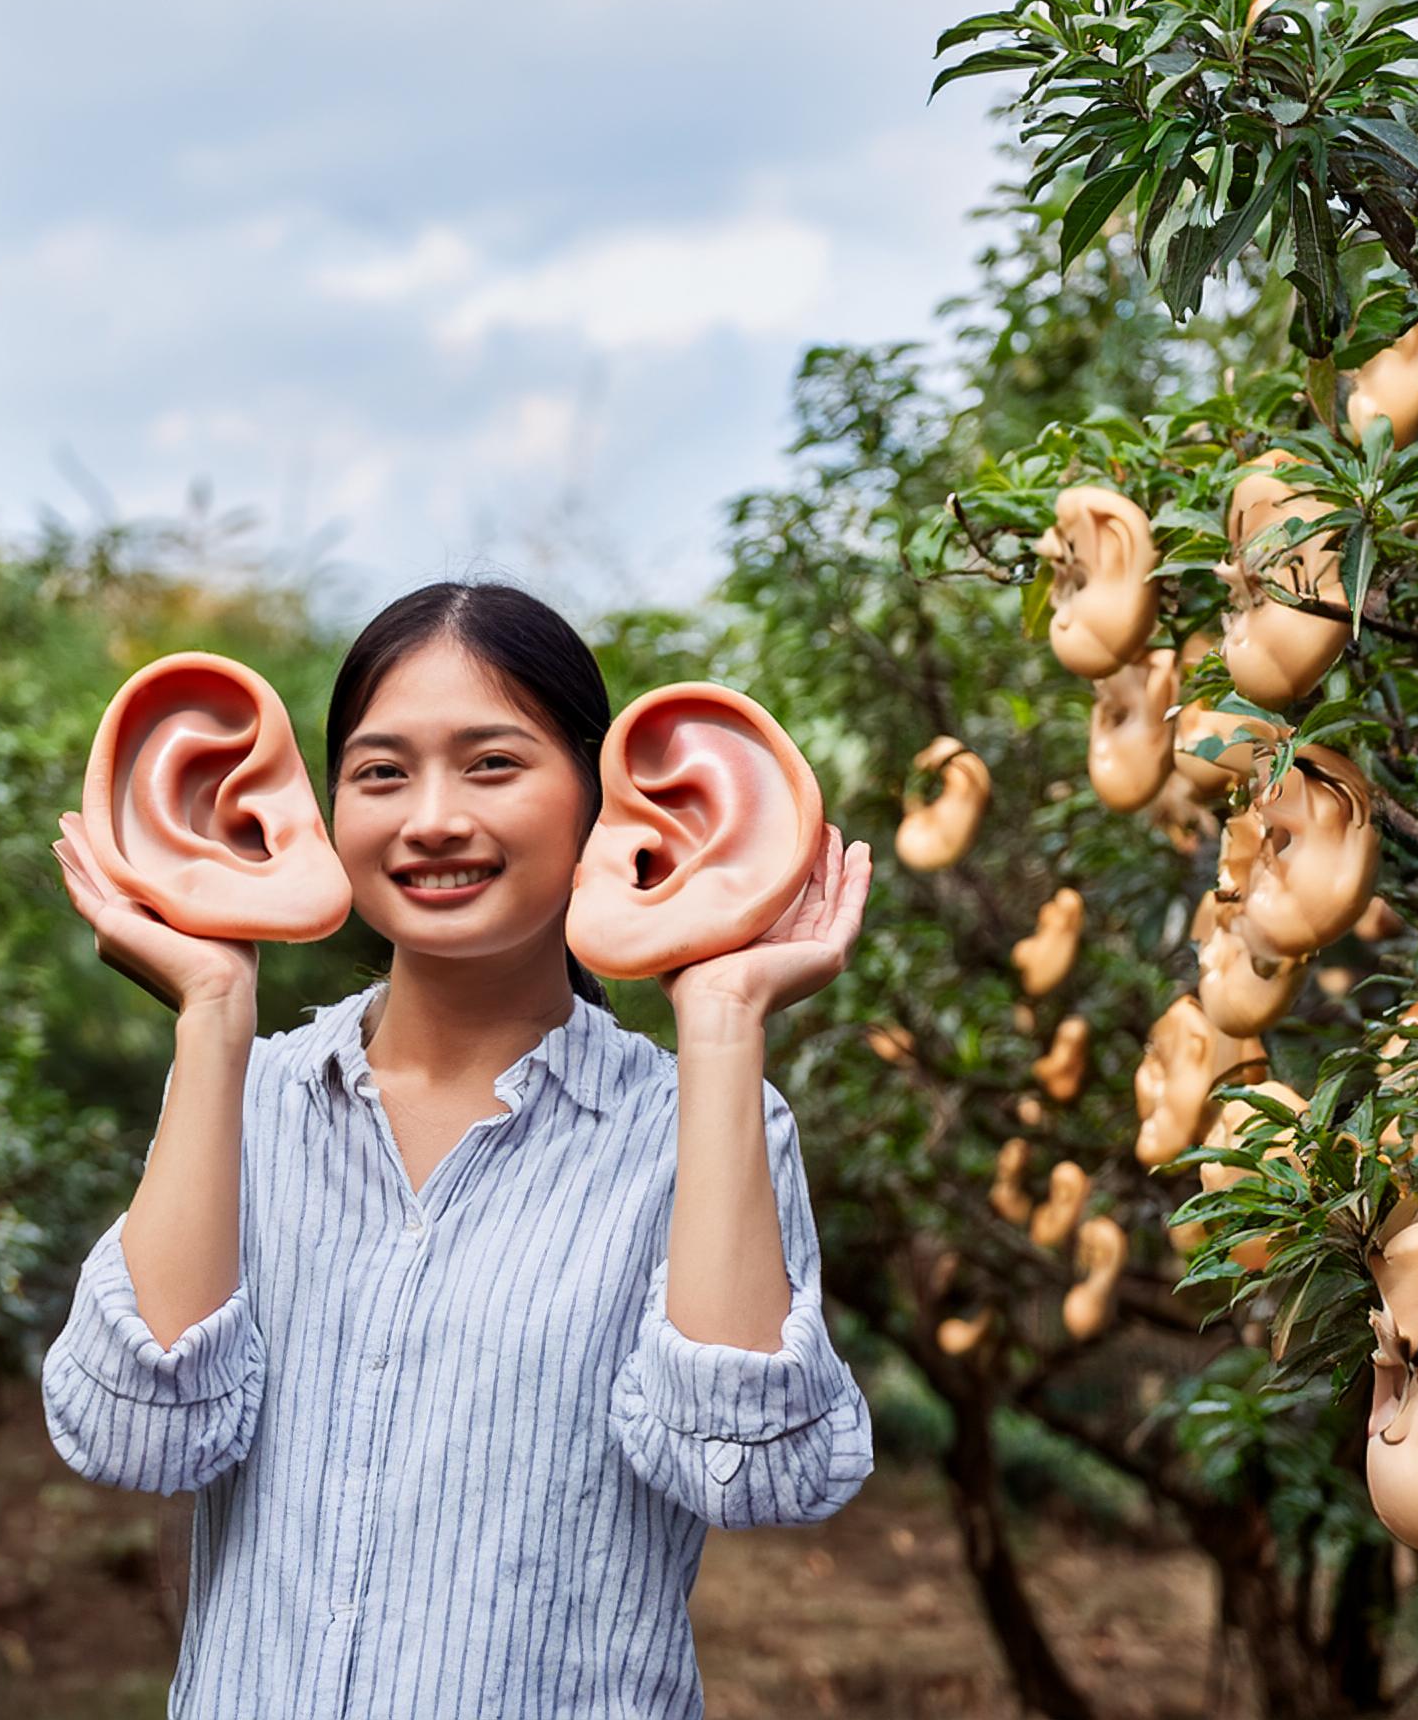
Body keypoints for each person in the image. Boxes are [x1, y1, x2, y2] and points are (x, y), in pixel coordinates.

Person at [43, 581, 874, 1719]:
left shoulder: (692, 1127)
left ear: (603, 797)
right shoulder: (254, 1097)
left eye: (493, 764)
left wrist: (723, 1018)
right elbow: (135, 1436)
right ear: (318, 807)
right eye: (382, 773)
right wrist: (210, 1012)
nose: (432, 818)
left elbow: (752, 1470)